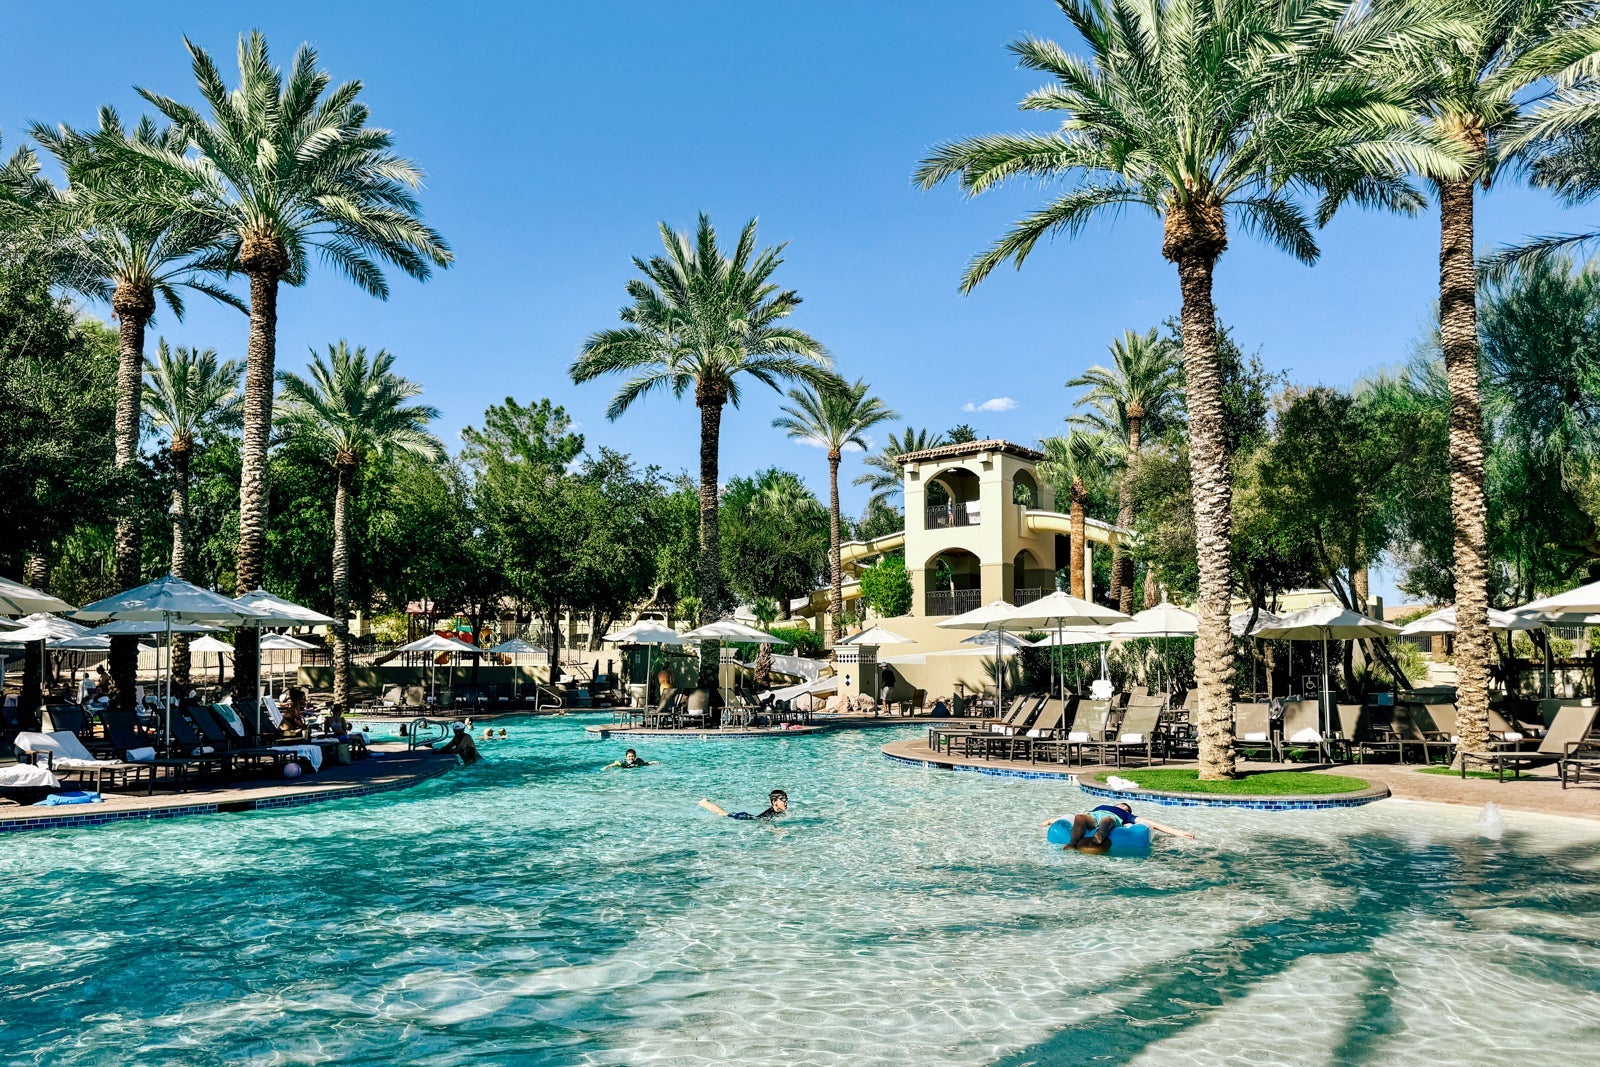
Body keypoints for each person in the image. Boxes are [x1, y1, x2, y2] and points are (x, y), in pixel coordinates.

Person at [1043, 801, 1194, 852]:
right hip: (1094, 816)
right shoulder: (1101, 806)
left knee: (1108, 820)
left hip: (1111, 819)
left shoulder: (1126, 816)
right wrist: (1051, 820)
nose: (1122, 806)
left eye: (1125, 807)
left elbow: (1153, 823)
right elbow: (1072, 817)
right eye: (1121, 805)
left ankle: (1098, 838)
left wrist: (1179, 833)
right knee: (1080, 817)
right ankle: (1072, 843)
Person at [700, 789, 788, 821]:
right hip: (744, 817)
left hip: (750, 816)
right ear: (774, 802)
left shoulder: (780, 812)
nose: (786, 802)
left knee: (723, 812)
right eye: (783, 800)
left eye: (786, 799)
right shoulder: (769, 814)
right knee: (722, 813)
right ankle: (704, 803)